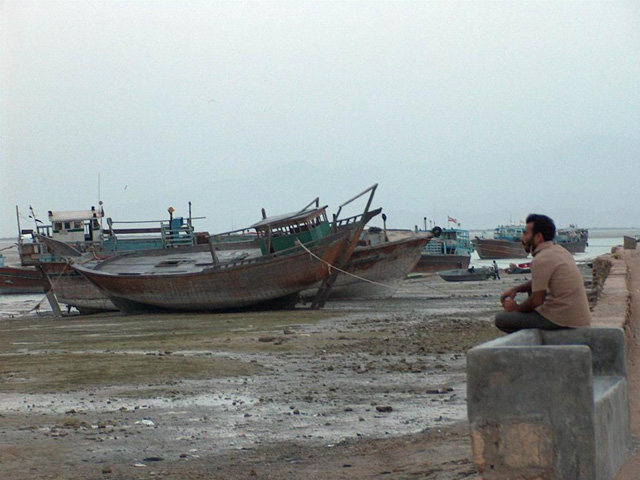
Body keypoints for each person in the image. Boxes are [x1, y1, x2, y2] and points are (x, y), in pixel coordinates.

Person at [495, 214, 591, 334]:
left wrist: (516, 309)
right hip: (580, 319)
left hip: (563, 321)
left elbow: (536, 301)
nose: (522, 238)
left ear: (538, 237)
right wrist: (517, 289)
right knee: (531, 296)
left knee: (502, 320)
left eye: (525, 233)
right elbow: (541, 281)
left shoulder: (540, 259)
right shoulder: (561, 251)